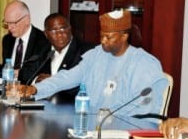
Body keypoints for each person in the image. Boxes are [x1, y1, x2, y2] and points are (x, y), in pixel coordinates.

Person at [19, 9, 168, 119]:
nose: (103, 41)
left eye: (108, 37)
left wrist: (110, 125)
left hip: (126, 134)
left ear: (124, 37)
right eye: (102, 36)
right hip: (91, 127)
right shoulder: (96, 55)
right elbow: (67, 77)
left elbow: (143, 111)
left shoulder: (144, 64)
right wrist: (35, 89)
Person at [35, 13, 95, 96]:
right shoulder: (43, 51)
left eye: (63, 29)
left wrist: (53, 81)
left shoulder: (86, 51)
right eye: (53, 30)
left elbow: (87, 84)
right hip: (47, 104)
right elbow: (27, 75)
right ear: (46, 34)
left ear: (70, 29)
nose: (59, 34)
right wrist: (37, 81)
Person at [0, 0, 50, 84]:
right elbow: (7, 68)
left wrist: (15, 73)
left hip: (30, 90)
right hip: (8, 90)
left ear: (27, 19)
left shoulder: (43, 40)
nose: (9, 28)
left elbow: (36, 71)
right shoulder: (7, 40)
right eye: (6, 23)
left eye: (13, 23)